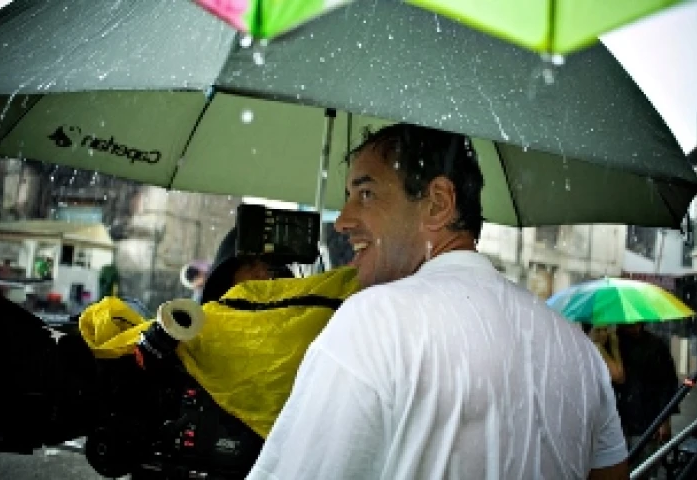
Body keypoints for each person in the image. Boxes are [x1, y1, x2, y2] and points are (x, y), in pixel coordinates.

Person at [246, 124, 628, 479]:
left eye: (366, 194)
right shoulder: (580, 352)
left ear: (438, 204)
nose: (343, 221)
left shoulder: (376, 321)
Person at [615, 322, 679, 476]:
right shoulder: (612, 344)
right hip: (619, 421)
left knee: (644, 468)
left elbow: (667, 383)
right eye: (630, 325)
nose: (636, 328)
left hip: (647, 419)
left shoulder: (655, 345)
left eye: (638, 324)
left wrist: (664, 420)